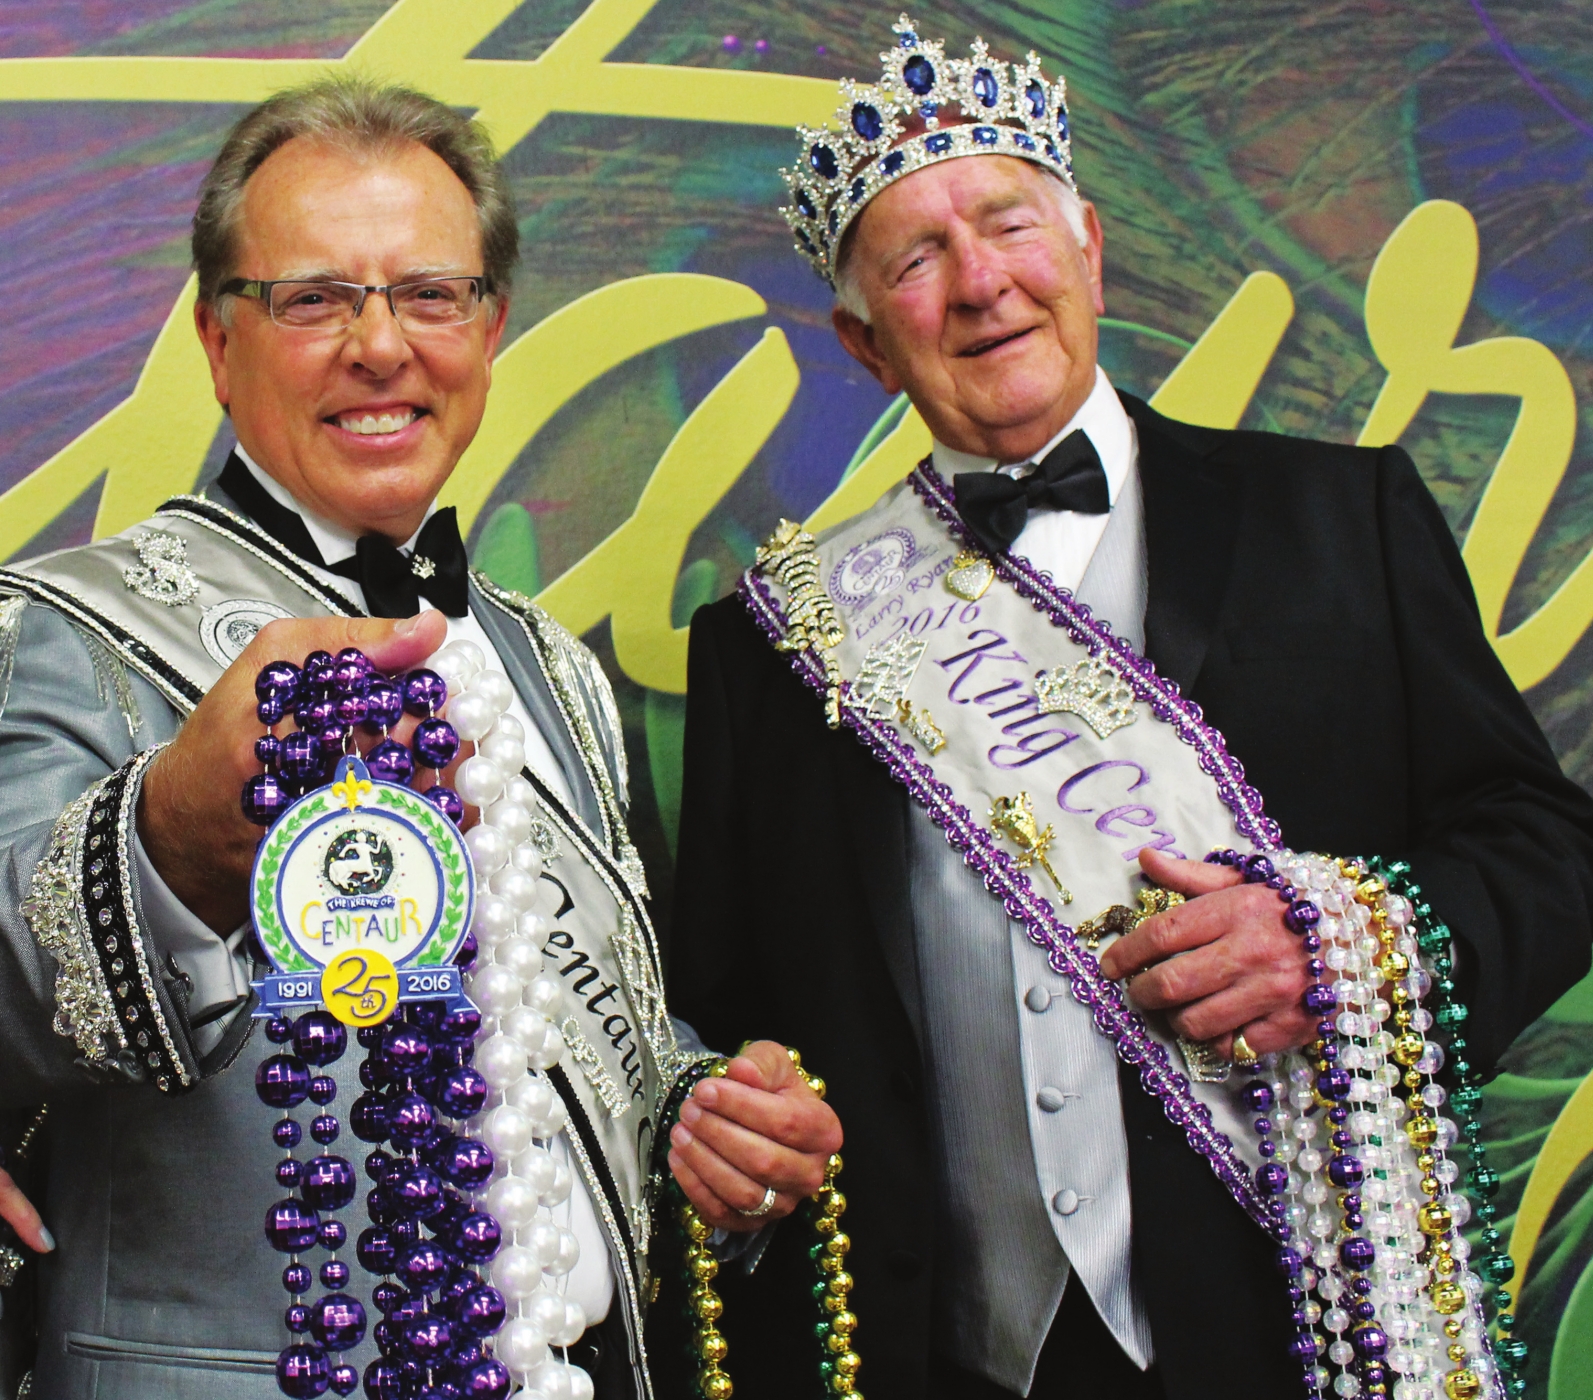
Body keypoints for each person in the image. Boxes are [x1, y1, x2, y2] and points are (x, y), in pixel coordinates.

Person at [664, 16, 1593, 1400]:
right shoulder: (767, 650)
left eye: (1008, 225)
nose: (981, 283)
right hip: (955, 1361)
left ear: (1088, 246)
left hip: (1295, 1334)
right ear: (865, 346)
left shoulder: (1340, 518)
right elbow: (722, 1024)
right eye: (916, 260)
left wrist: (1339, 942)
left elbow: (1547, 852)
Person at [0, 76, 838, 1400]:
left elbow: (557, 1020)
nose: (381, 346)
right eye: (314, 299)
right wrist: (169, 841)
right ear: (218, 339)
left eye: (430, 295)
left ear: (489, 330)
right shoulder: (64, 626)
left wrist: (693, 1109)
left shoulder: (554, 667)